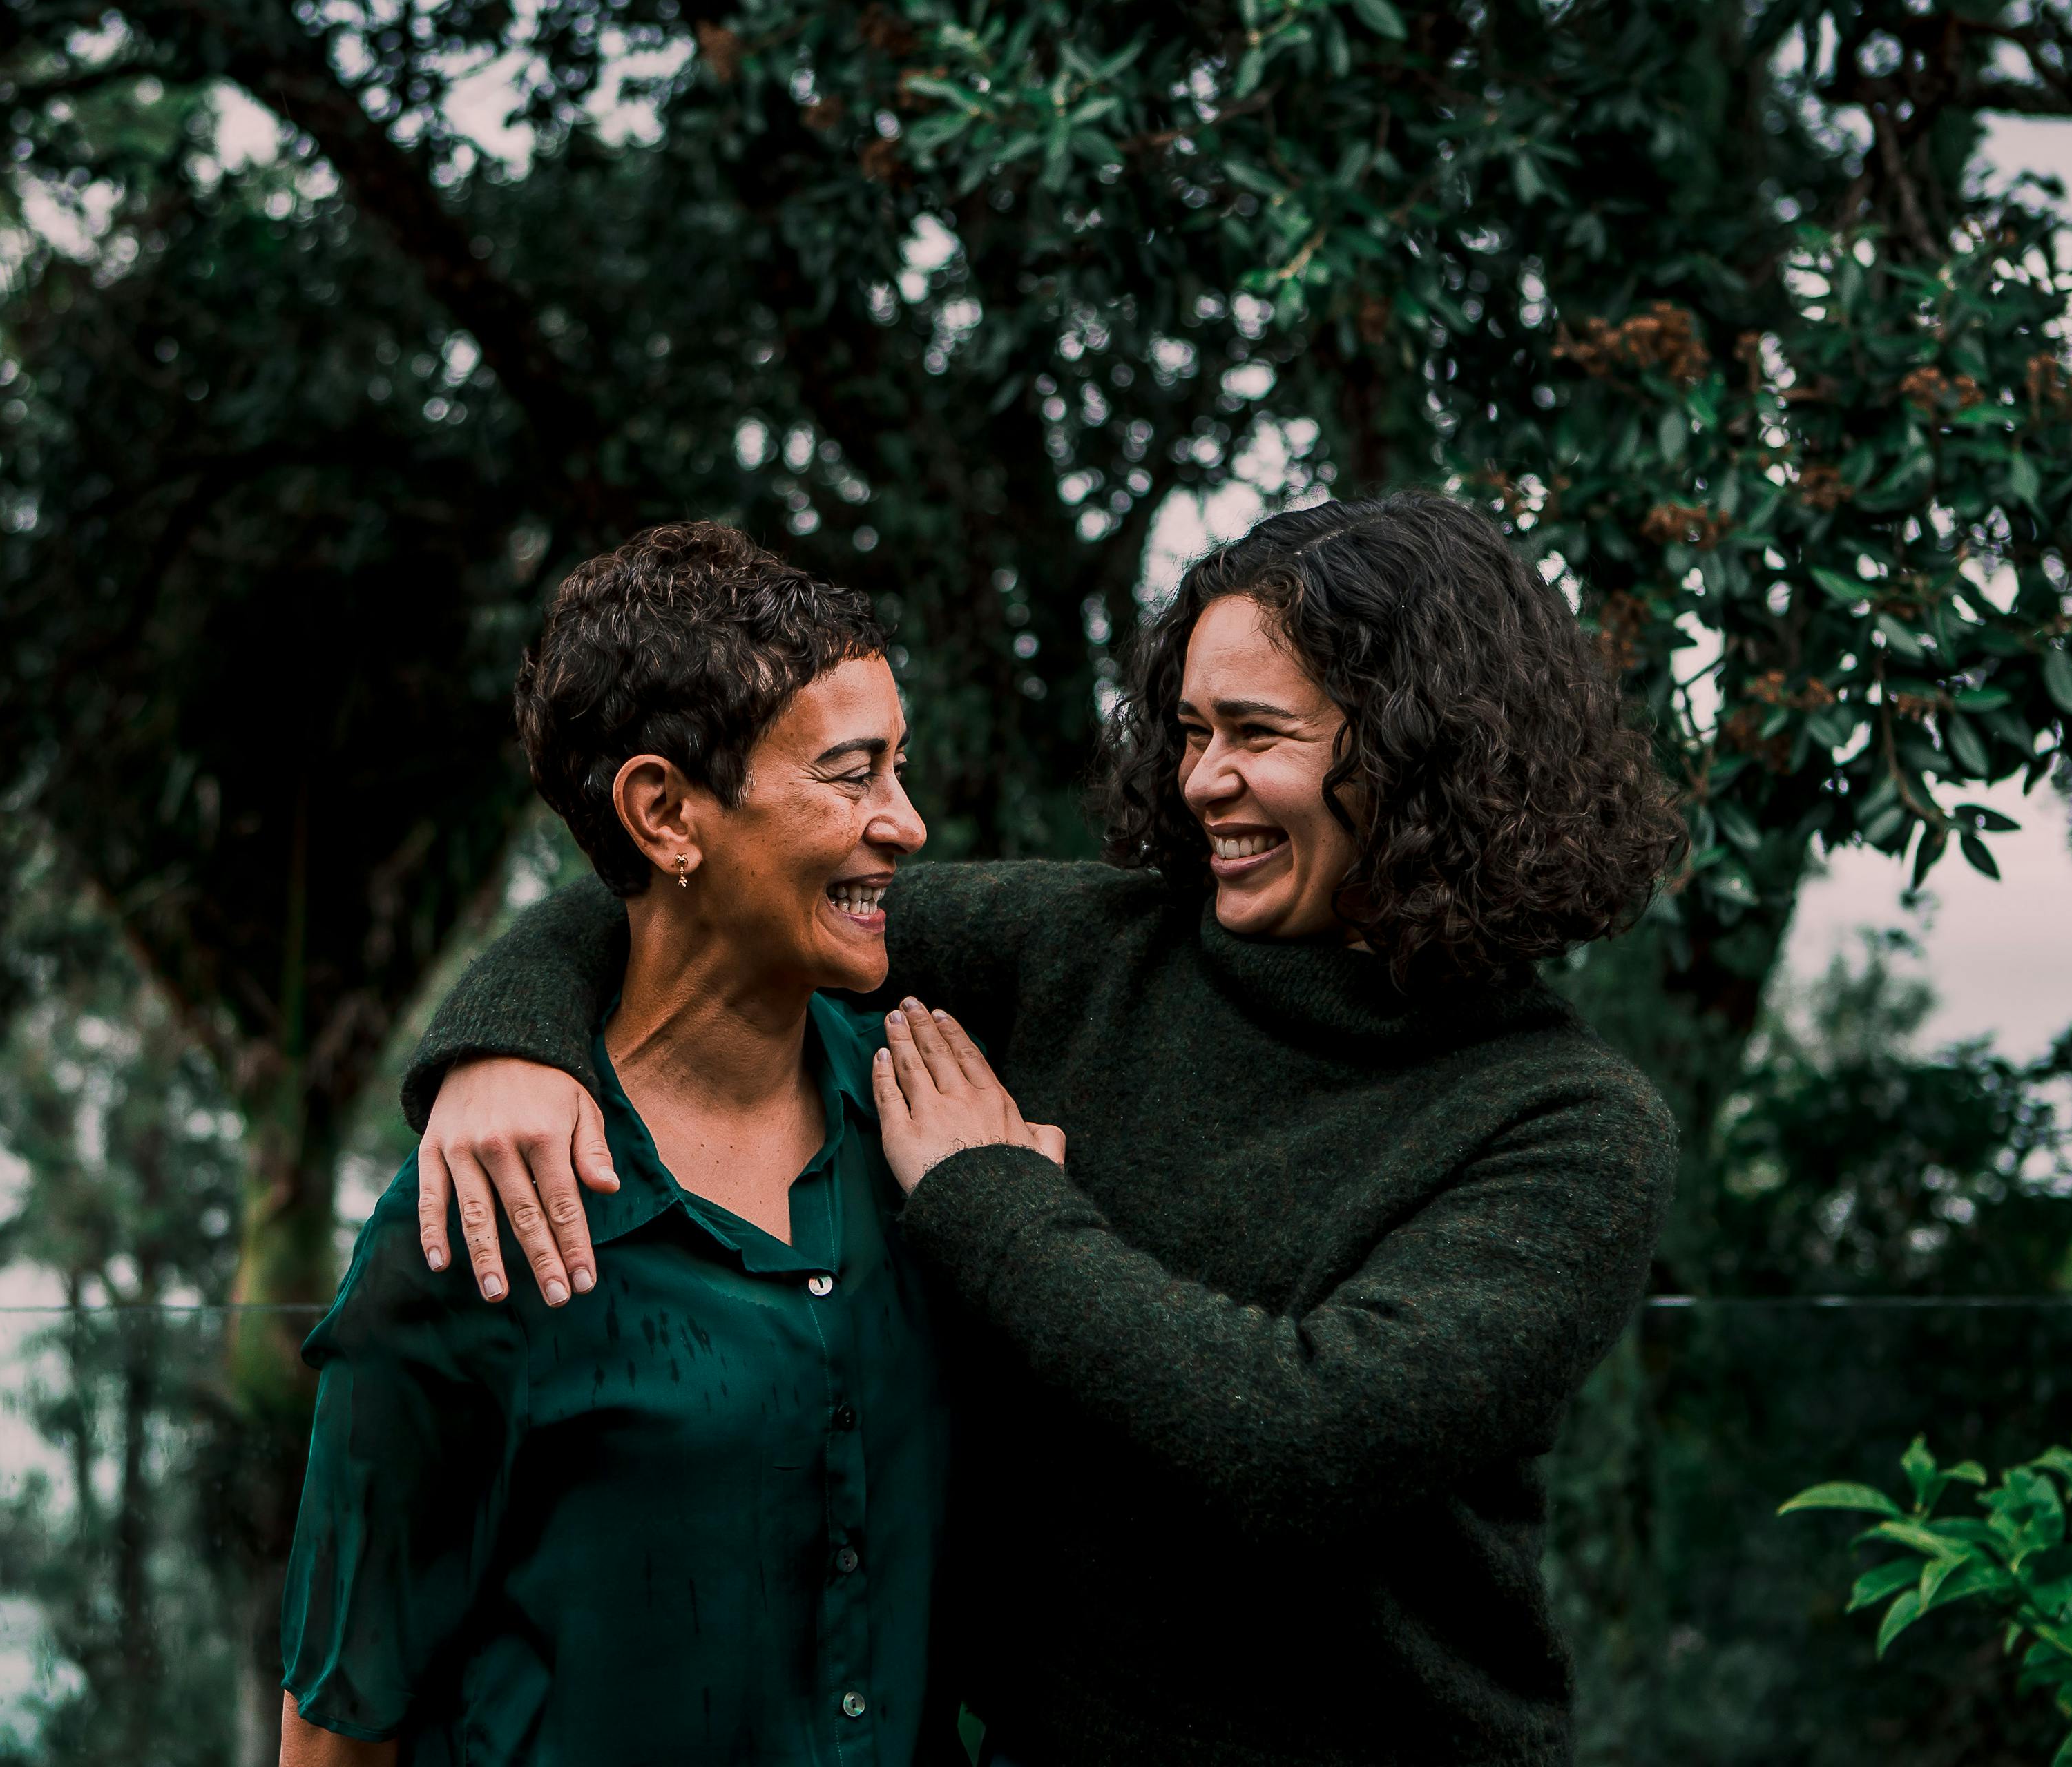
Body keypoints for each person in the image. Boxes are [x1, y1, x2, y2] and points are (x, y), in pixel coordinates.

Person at [399, 492, 1687, 1767]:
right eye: (1188, 731)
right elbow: (718, 892)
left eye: (1256, 734)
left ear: (1421, 754)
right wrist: (507, 1043)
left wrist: (987, 1197)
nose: (1202, 783)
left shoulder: (1566, 1126)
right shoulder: (1080, 948)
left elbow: (1304, 1446)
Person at [279, 524, 1030, 1766]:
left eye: (901, 768)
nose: (907, 823)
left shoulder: (939, 1127)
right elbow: (340, 1727)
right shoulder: (471, 1225)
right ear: (665, 812)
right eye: (851, 776)